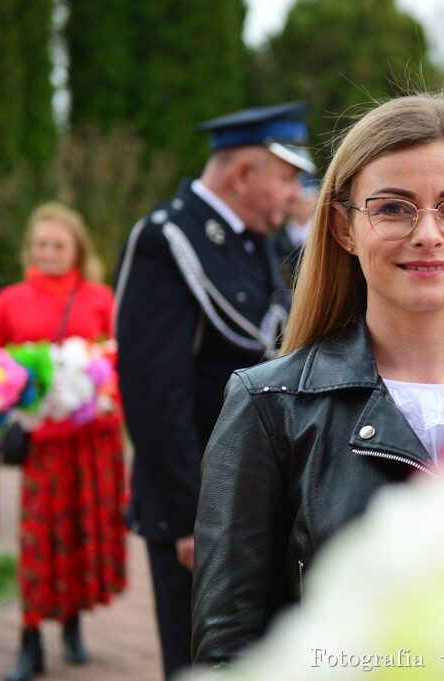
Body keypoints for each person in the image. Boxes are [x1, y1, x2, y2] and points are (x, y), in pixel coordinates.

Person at [191, 94, 444, 665]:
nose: (428, 233)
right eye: (393, 208)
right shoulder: (270, 407)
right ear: (343, 227)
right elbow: (229, 650)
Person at [114, 101, 314, 679]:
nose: (294, 195)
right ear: (243, 173)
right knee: (199, 662)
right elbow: (154, 392)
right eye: (286, 179)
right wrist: (189, 517)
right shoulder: (167, 239)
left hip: (254, 488)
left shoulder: (255, 239)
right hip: (197, 498)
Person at [0, 202, 126, 681]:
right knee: (39, 540)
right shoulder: (9, 301)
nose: (49, 252)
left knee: (81, 533)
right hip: (42, 447)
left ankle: (73, 622)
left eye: (58, 244)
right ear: (29, 249)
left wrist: (104, 396)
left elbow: (120, 365)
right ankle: (30, 639)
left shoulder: (99, 298)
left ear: (77, 248)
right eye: (41, 244)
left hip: (92, 444)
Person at [272, 174, 320, 287]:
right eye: (295, 200)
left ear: (316, 199)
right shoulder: (272, 242)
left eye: (306, 198)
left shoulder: (328, 237)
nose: (300, 203)